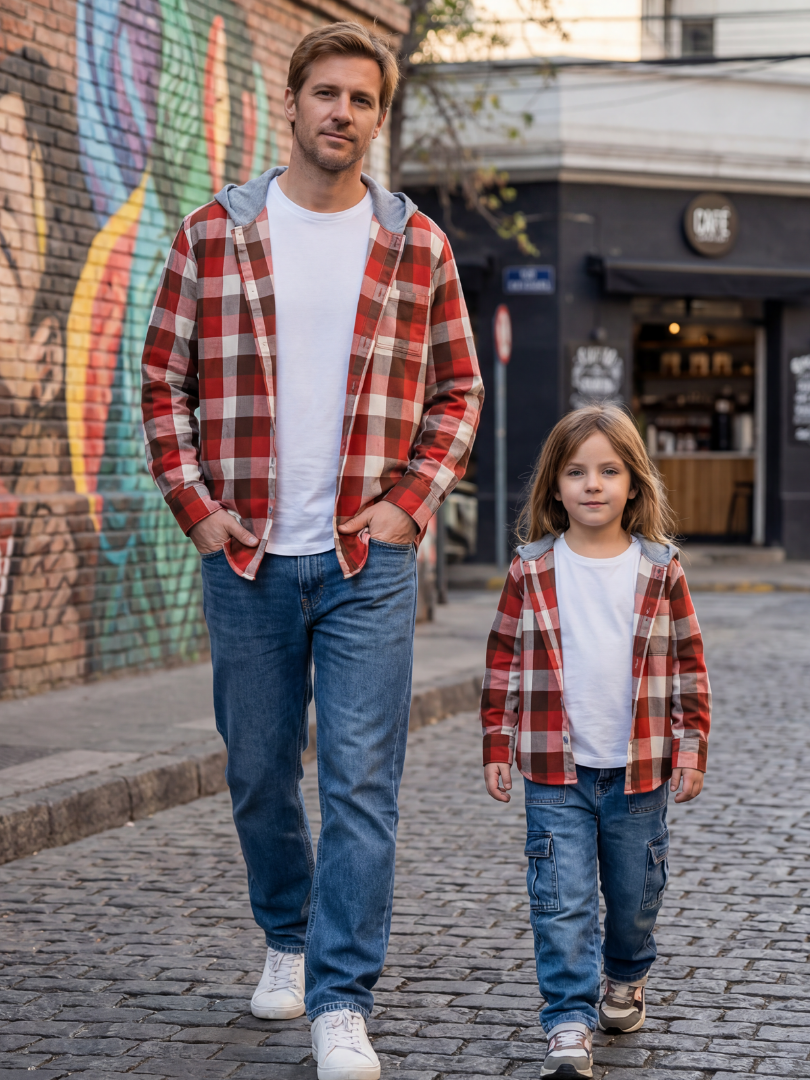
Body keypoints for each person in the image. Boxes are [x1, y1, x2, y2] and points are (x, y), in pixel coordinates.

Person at [141, 21, 483, 1080]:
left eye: (362, 99)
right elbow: (163, 384)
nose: (342, 112)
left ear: (380, 118)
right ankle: (286, 933)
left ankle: (343, 997)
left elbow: (459, 390)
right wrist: (196, 509)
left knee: (363, 783)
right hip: (242, 555)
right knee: (254, 771)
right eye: (325, 93)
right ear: (290, 104)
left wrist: (409, 507)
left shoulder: (415, 243)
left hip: (361, 562)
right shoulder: (214, 233)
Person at [481, 403, 711, 1079]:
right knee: (561, 898)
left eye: (609, 471)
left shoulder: (660, 568)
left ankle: (626, 972)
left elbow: (690, 663)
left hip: (640, 769)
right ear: (554, 485)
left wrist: (690, 746)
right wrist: (500, 745)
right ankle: (568, 1023)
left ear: (633, 484)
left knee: (637, 897)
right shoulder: (531, 568)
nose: (592, 484)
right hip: (556, 770)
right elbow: (503, 663)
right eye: (577, 471)